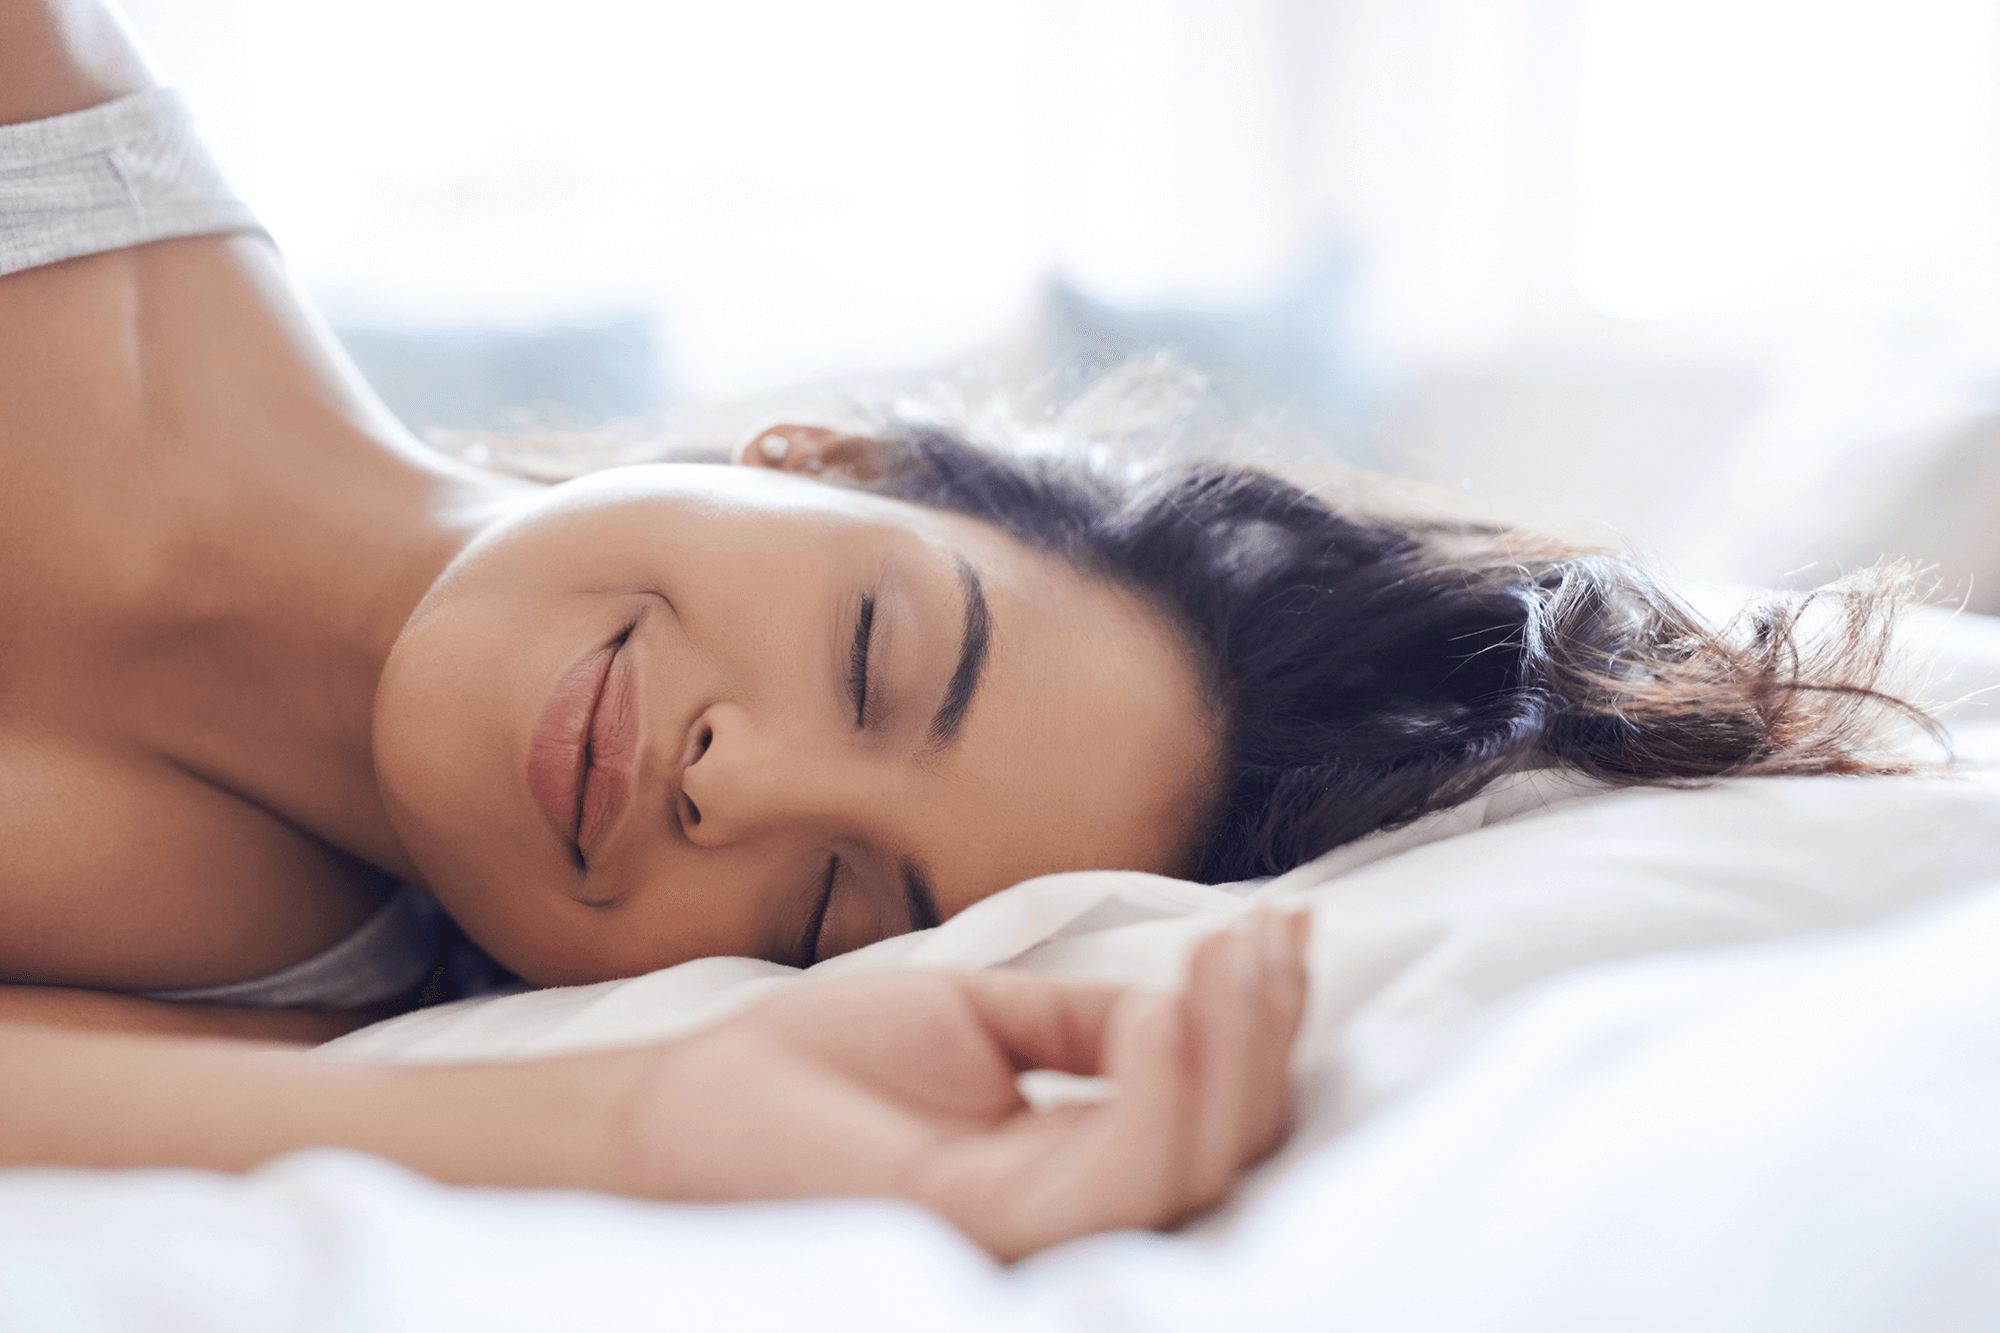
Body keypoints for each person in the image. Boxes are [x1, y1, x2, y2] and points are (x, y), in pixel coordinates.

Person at [0, 0, 1923, 1258]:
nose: (729, 783)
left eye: (829, 908)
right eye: (870, 653)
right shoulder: (48, 113)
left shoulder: (266, 1003)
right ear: (821, 453)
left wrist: (690, 1124)